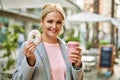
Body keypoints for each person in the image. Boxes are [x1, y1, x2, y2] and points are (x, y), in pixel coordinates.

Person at [12, 3, 83, 80]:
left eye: (58, 22)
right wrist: (30, 62)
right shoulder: (28, 47)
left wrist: (77, 66)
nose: (54, 26)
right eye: (50, 21)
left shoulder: (67, 49)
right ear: (42, 21)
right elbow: (17, 78)